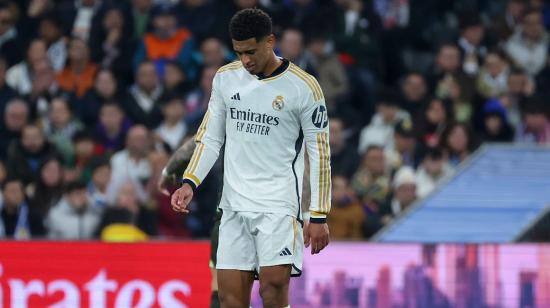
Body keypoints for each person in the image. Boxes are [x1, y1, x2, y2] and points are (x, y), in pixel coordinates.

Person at [170, 8, 331, 308]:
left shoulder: (304, 87)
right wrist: (190, 181)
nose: (245, 60)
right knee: (230, 299)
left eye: (251, 51)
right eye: (239, 52)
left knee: (272, 290)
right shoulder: (226, 78)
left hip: (279, 206)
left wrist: (319, 214)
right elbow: (211, 137)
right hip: (233, 206)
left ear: (270, 41)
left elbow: (320, 153)